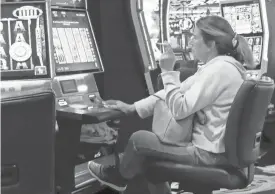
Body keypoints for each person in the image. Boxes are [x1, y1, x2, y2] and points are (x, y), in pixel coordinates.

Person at [87, 15, 255, 192]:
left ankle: (120, 178)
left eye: (195, 37)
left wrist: (167, 71)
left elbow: (179, 109)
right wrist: (132, 108)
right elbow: (175, 91)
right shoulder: (223, 66)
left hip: (209, 154)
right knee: (147, 155)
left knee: (139, 140)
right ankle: (123, 176)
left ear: (211, 44)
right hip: (218, 151)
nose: (190, 41)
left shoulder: (219, 70)